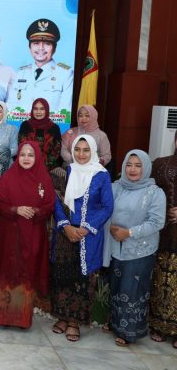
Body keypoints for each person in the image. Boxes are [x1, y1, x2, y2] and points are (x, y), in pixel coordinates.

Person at [50, 134, 113, 342]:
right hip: (65, 233)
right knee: (62, 275)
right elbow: (56, 201)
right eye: (77, 149)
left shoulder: (101, 175)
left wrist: (86, 228)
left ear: (93, 151)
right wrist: (65, 225)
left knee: (82, 278)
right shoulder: (66, 171)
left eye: (86, 150)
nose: (81, 154)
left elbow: (107, 207)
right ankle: (62, 316)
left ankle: (74, 321)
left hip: (88, 236)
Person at [0, 141, 55, 328]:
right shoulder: (8, 177)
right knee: (8, 271)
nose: (26, 158)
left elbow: (49, 205)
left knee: (27, 272)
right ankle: (3, 318)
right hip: (9, 235)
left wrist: (35, 211)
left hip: (33, 234)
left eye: (30, 155)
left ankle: (22, 319)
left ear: (37, 157)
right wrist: (15, 209)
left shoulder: (44, 179)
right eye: (23, 154)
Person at [103, 150, 165, 347]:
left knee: (133, 290)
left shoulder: (154, 192)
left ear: (146, 168)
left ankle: (129, 331)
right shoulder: (115, 187)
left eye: (138, 165)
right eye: (129, 164)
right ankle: (115, 323)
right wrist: (109, 226)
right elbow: (105, 209)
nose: (132, 169)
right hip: (116, 246)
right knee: (116, 285)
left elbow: (156, 222)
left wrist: (128, 233)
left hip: (140, 250)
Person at [149, 134, 177, 349]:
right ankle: (158, 324)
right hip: (165, 231)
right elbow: (149, 191)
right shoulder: (160, 164)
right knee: (161, 276)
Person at [11, 18, 74, 114]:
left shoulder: (66, 74)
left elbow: (65, 112)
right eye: (36, 43)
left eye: (47, 43)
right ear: (29, 47)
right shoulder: (20, 73)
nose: (41, 48)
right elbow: (10, 108)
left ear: (54, 48)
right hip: (22, 123)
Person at [18, 98, 62, 171]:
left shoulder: (54, 127)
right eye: (35, 109)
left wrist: (43, 166)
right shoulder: (25, 125)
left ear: (46, 110)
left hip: (48, 167)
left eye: (42, 109)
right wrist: (32, 163)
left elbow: (56, 151)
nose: (38, 112)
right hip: (27, 165)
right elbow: (22, 147)